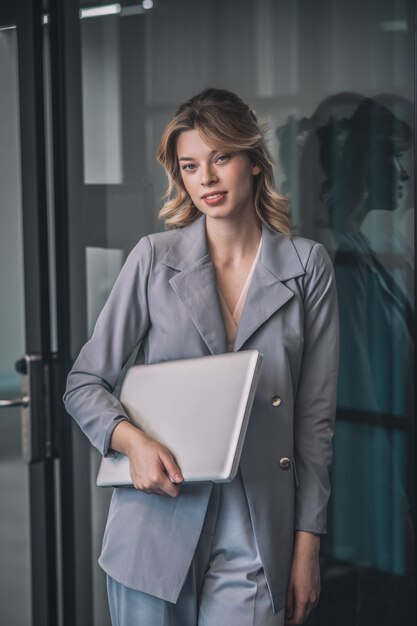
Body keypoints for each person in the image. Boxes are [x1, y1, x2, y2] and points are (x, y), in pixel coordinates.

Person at [64, 88, 339, 626]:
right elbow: (83, 382)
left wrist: (307, 548)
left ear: (254, 162)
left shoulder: (308, 268)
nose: (206, 179)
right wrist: (133, 442)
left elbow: (315, 421)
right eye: (190, 165)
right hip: (155, 525)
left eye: (222, 158)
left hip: (258, 534)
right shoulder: (153, 260)